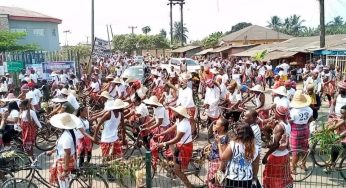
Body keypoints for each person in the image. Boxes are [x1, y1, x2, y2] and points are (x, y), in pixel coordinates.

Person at [156, 106, 194, 188]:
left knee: (178, 170)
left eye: (175, 111)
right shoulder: (179, 120)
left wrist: (163, 143)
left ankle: (189, 186)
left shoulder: (184, 124)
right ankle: (173, 171)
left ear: (179, 114)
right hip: (180, 145)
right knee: (169, 152)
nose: (173, 111)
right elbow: (172, 128)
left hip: (184, 147)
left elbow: (177, 139)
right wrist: (160, 134)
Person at [219, 124, 259, 188]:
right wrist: (254, 178)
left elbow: (223, 158)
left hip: (232, 178)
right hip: (247, 179)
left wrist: (219, 144)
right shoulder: (255, 148)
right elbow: (256, 165)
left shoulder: (233, 145)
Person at [262, 105, 293, 188]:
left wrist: (266, 156)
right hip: (285, 154)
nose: (273, 113)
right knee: (283, 177)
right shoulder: (287, 124)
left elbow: (275, 145)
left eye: (275, 111)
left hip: (277, 156)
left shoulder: (279, 126)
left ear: (278, 114)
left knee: (273, 177)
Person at [48, 113, 79, 188]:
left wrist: (65, 170)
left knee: (63, 184)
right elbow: (63, 148)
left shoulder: (65, 137)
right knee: (64, 182)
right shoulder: (72, 132)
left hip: (64, 162)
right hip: (68, 159)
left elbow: (67, 152)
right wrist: (53, 151)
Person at [289, 91, 313, 174]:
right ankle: (303, 164)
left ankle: (293, 168)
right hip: (305, 129)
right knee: (304, 149)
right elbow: (310, 119)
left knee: (295, 151)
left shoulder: (293, 111)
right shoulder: (309, 109)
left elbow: (290, 122)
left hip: (295, 131)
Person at [206, 117, 230, 188]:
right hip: (213, 162)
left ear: (222, 128)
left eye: (216, 124)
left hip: (217, 164)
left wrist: (219, 143)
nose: (214, 125)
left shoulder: (224, 139)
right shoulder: (219, 135)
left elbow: (223, 155)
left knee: (215, 183)